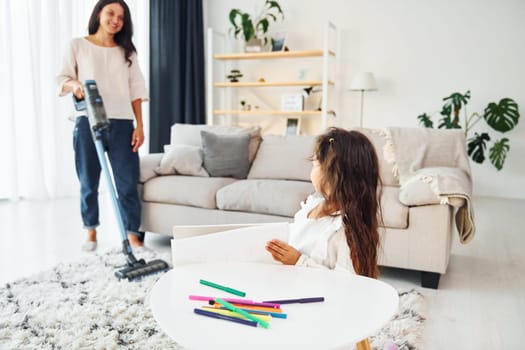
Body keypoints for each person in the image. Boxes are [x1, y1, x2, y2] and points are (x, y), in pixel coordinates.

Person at [56, 0, 148, 251]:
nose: (115, 20)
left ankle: (132, 236)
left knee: (127, 183)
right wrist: (75, 85)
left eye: (121, 16)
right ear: (99, 14)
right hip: (89, 122)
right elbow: (62, 79)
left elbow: (136, 91)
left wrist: (139, 126)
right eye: (110, 13)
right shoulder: (78, 45)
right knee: (89, 181)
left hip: (122, 124)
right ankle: (91, 232)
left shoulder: (127, 52)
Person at [265, 128, 381, 278]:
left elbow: (349, 283)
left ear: (334, 176)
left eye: (315, 164)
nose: (312, 170)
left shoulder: (344, 231)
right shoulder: (310, 207)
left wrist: (299, 261)